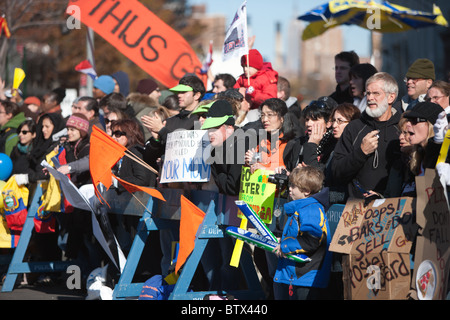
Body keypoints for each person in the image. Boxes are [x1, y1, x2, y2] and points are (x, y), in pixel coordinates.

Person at [332, 72, 402, 200]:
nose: (370, 98)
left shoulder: (403, 128)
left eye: (376, 93)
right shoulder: (354, 128)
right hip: (357, 208)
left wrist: (382, 195)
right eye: (368, 93)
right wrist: (361, 152)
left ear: (391, 97)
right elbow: (337, 171)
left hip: (392, 208)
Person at [273, 166, 331, 300]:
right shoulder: (301, 207)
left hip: (305, 277)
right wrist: (284, 241)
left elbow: (312, 239)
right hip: (295, 276)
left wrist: (285, 246)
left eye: (293, 186)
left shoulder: (311, 209)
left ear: (306, 191)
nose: (289, 189)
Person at [399, 101, 444, 196]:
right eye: (408, 121)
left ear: (432, 125)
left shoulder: (445, 155)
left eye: (414, 120)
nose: (408, 125)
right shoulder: (415, 158)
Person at [14, 112, 66, 185]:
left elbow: (47, 172)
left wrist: (28, 177)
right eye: (42, 126)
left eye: (47, 127)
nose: (43, 130)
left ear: (56, 127)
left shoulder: (58, 146)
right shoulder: (42, 144)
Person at [326, 102, 361, 204]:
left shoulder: (355, 150)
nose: (334, 125)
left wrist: (322, 194)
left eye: (340, 121)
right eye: (334, 120)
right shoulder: (330, 148)